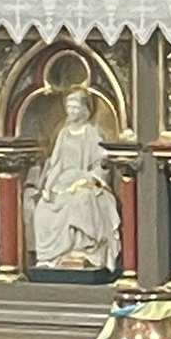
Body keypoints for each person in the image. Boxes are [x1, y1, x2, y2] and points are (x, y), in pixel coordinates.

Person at [32, 89, 121, 270]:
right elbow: (56, 164)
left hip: (85, 180)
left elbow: (100, 164)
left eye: (75, 108)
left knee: (83, 200)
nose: (71, 112)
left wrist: (92, 177)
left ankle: (84, 250)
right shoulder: (63, 134)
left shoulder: (91, 133)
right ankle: (51, 257)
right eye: (69, 108)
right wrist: (48, 188)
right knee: (43, 206)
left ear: (84, 109)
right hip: (63, 182)